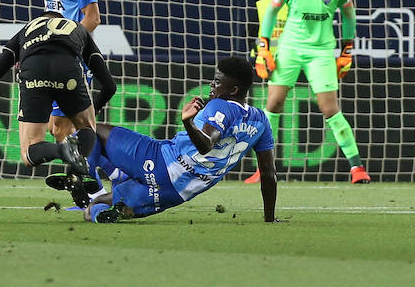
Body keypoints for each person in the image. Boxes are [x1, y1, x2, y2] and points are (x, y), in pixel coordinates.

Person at [55, 57, 279, 223]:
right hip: (173, 193)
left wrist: (188, 122)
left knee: (90, 131)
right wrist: (270, 218)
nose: (212, 85)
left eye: (218, 82)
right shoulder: (261, 122)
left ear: (234, 89)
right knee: (92, 209)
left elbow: (206, 144)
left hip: (159, 158)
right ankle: (109, 202)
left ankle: (87, 176)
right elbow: (268, 174)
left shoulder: (220, 105)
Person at [0, 12, 118, 208]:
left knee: (29, 152)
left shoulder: (27, 30)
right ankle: (75, 172)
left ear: (39, 20)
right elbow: (109, 86)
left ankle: (62, 151)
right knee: (86, 129)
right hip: (68, 70)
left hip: (34, 71)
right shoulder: (78, 28)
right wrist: (92, 111)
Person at [248, 0, 371, 185]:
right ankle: (263, 170)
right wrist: (264, 47)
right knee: (273, 104)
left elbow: (349, 15)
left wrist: (346, 50)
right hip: (290, 48)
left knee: (330, 109)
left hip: (321, 52)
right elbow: (271, 11)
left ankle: (357, 168)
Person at [40, 0, 103, 162]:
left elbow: (93, 17)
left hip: (71, 58)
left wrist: (67, 44)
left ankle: (92, 188)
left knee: (62, 127)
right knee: (59, 127)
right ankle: (96, 184)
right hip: (55, 55)